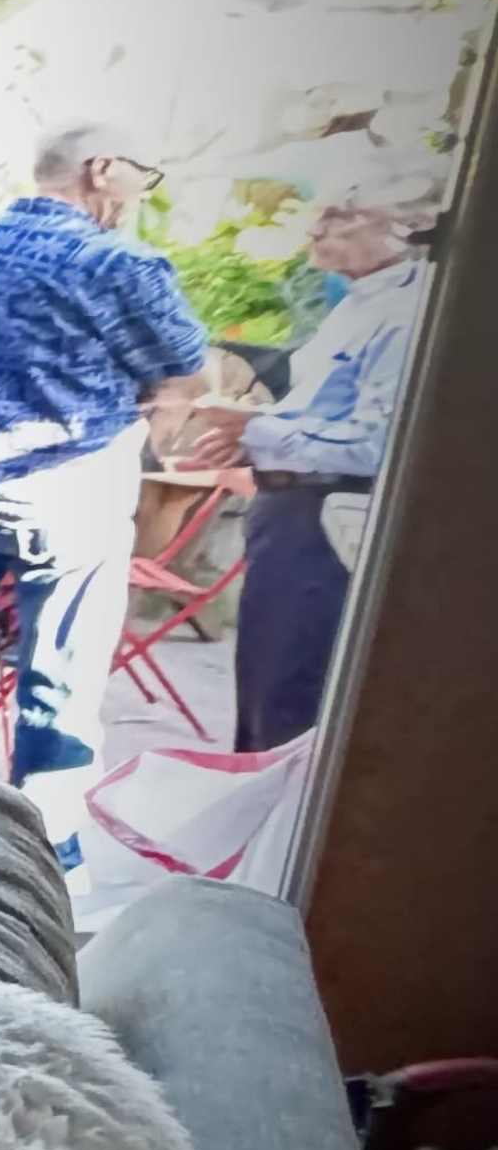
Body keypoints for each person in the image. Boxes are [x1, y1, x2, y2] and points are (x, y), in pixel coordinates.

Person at [0, 128, 209, 869]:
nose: (143, 191)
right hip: (67, 501)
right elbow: (186, 371)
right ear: (101, 169)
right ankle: (47, 854)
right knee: (59, 679)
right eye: (142, 173)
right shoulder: (118, 262)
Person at [195, 176, 440, 750]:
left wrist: (257, 429)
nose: (315, 228)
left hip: (325, 522)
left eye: (341, 216)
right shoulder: (357, 303)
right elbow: (324, 416)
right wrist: (252, 437)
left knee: (291, 696)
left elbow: (379, 445)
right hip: (287, 513)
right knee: (263, 688)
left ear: (407, 228)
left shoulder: (406, 316)